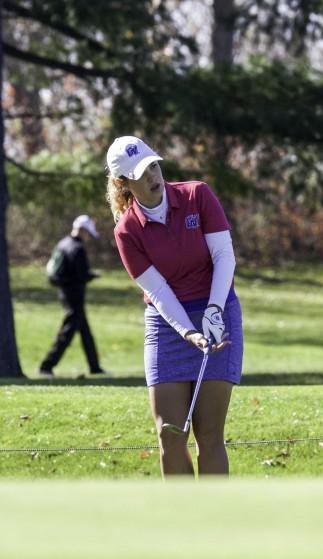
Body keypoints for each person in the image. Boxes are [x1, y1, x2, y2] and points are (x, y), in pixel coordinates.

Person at [107, 135, 243, 477]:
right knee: (170, 434)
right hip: (168, 323)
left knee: (209, 435)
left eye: (154, 165)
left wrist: (214, 310)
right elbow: (159, 291)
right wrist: (187, 332)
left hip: (217, 307)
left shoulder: (197, 195)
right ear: (124, 183)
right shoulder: (127, 232)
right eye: (142, 172)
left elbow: (224, 257)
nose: (153, 175)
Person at [38, 214, 107, 378]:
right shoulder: (78, 248)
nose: (88, 237)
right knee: (67, 332)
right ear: (83, 231)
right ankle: (46, 366)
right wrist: (93, 275)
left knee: (85, 332)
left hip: (65, 293)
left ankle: (95, 367)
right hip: (74, 296)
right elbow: (81, 275)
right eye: (88, 233)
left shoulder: (63, 243)